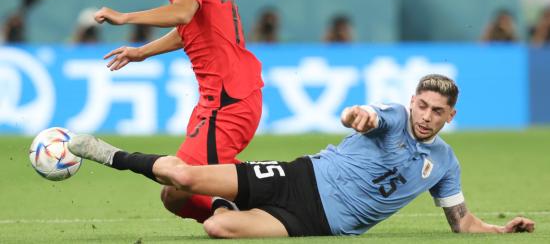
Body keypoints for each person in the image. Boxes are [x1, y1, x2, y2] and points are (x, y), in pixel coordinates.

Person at [68, 74, 535, 238]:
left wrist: (502, 230)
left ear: (451, 116)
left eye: (438, 112)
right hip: (299, 179)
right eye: (422, 106)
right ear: (412, 101)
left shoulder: (446, 164)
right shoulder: (392, 115)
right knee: (180, 185)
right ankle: (106, 152)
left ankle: (232, 204)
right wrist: (357, 116)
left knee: (217, 227)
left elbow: (462, 223)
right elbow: (361, 113)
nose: (427, 116)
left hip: (316, 223)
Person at [94, 0, 264, 223]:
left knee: (179, 188)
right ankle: (254, 199)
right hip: (217, 103)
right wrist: (142, 52)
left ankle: (274, 198)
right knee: (174, 197)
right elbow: (189, 28)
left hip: (228, 102)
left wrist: (124, 18)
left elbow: (183, 14)